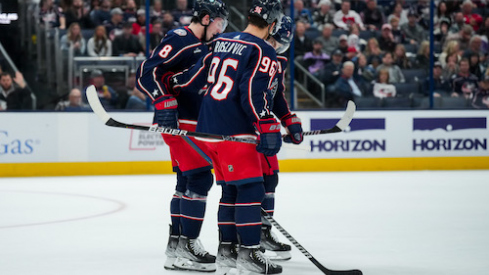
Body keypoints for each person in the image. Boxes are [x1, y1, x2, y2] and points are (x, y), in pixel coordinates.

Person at [172, 0, 284, 273]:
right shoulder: (263, 49)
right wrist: (267, 123)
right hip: (233, 130)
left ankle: (227, 253)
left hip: (207, 129)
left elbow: (192, 77)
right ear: (272, 25)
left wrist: (171, 86)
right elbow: (251, 93)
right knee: (251, 189)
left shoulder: (224, 40)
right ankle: (248, 255)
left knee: (231, 190)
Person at [135, 0, 228, 272]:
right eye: (220, 23)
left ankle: (175, 249)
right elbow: (147, 71)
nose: (221, 29)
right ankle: (188, 246)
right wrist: (162, 100)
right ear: (207, 18)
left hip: (193, 123)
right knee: (200, 177)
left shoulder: (209, 45)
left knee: (185, 181)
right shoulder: (180, 39)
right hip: (177, 123)